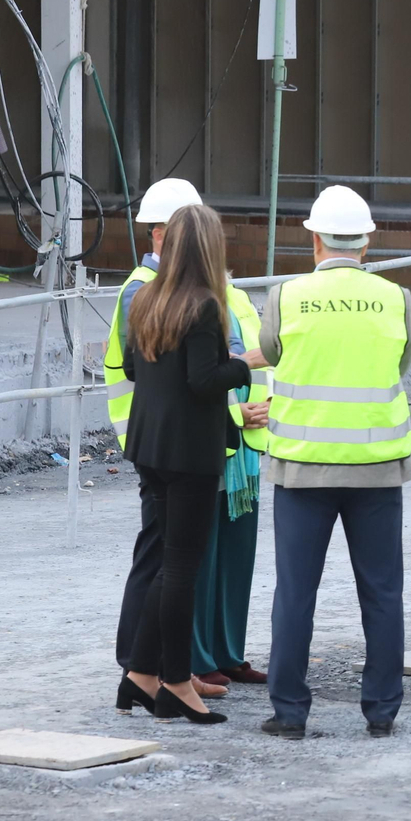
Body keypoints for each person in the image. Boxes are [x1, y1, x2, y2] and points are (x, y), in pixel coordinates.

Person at [253, 185, 411, 741]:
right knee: (382, 590)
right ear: (368, 240)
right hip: (376, 468)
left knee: (295, 593)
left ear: (315, 239)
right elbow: (401, 364)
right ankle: (381, 710)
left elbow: (273, 353)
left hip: (304, 469)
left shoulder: (286, 295)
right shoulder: (397, 298)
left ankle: (289, 712)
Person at [116, 204, 252, 725]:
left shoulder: (147, 297)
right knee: (180, 569)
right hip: (189, 452)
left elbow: (132, 365)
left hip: (149, 446)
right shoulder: (205, 306)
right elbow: (203, 379)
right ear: (210, 249)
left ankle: (141, 675)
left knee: (162, 564)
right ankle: (174, 682)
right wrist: (245, 365)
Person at [189, 283, 272, 690]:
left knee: (235, 558)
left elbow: (256, 358)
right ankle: (197, 658)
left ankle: (228, 653)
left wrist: (261, 408)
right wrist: (234, 412)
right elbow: (189, 377)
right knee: (201, 559)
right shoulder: (157, 292)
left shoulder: (235, 296)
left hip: (244, 450)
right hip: (205, 442)